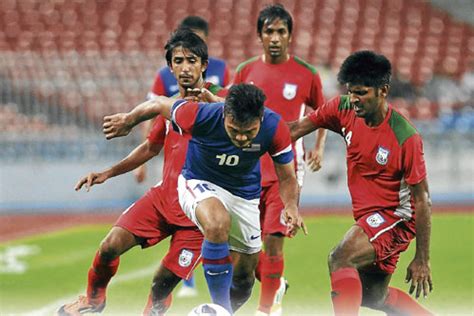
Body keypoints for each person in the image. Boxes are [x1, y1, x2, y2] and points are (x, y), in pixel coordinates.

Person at [58, 29, 225, 316]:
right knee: (109, 246)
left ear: (204, 65)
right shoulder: (169, 107)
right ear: (170, 66)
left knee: (161, 285)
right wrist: (107, 173)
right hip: (162, 200)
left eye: (192, 61)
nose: (185, 67)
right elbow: (150, 148)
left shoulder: (220, 103)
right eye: (179, 61)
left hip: (197, 216)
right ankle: (93, 300)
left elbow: (249, 120)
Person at [102, 83, 307, 314]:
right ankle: (219, 308)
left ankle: (226, 310)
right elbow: (159, 103)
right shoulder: (202, 115)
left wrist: (290, 206)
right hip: (198, 181)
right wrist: (129, 120)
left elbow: (287, 176)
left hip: (244, 195)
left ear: (260, 118)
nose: (240, 137)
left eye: (249, 132)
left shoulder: (273, 126)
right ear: (224, 115)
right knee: (217, 223)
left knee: (245, 278)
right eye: (233, 129)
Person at [289, 50, 433, 315]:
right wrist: (250, 134)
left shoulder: (405, 137)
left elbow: (423, 199)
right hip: (369, 216)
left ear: (383, 91)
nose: (354, 99)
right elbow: (294, 130)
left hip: (397, 217)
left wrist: (422, 258)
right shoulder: (343, 108)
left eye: (362, 93)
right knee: (374, 297)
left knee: (340, 257)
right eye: (351, 91)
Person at [232, 4, 326, 315]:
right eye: (269, 31)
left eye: (281, 32)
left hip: (286, 169)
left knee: (274, 241)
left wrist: (318, 147)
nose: (275, 37)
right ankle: (276, 285)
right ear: (259, 36)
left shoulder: (307, 74)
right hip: (247, 169)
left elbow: (322, 114)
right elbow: (230, 114)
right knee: (244, 248)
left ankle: (265, 310)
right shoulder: (245, 71)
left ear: (290, 36)